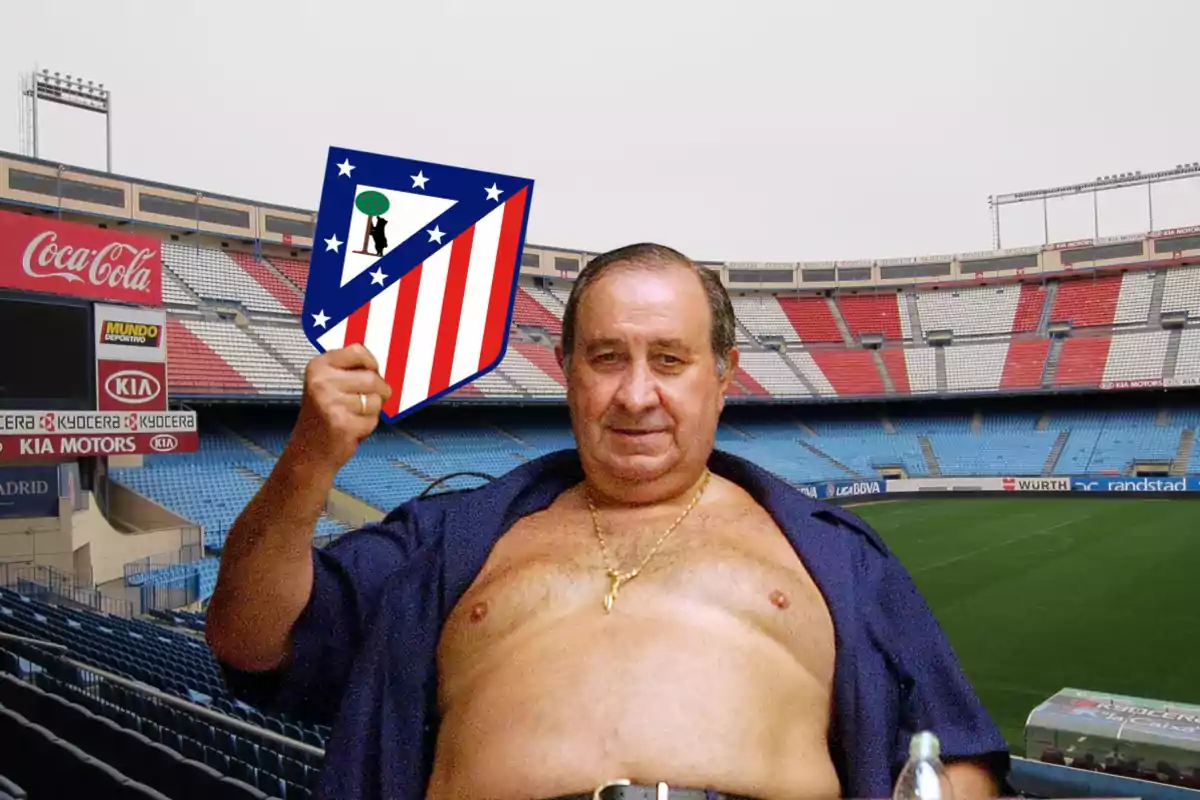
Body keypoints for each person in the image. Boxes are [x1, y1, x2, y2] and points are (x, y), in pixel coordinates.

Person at [206, 243, 1009, 800]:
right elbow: (250, 637)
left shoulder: (834, 556)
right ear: (567, 374)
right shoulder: (449, 540)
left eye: (668, 359)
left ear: (722, 378)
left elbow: (954, 752)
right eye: (606, 358)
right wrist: (309, 457)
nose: (634, 395)